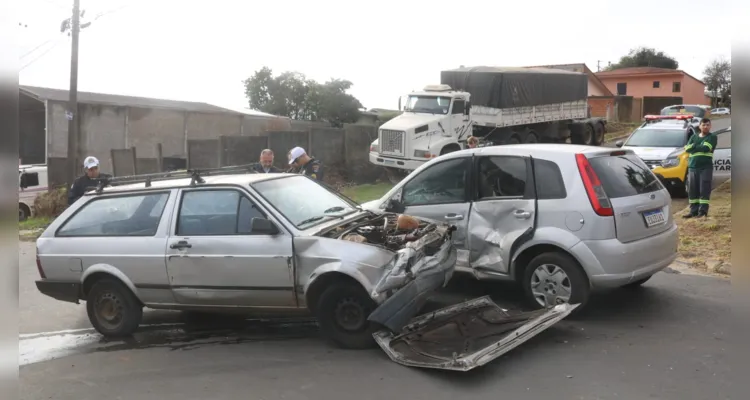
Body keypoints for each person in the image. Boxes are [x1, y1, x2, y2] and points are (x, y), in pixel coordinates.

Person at [683, 118, 717, 218]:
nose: (705, 127)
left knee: (704, 190)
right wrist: (695, 146)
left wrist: (693, 146)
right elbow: (687, 149)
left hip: (705, 168)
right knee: (692, 190)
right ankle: (693, 211)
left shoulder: (712, 137)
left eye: (707, 125)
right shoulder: (694, 136)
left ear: (710, 126)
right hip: (693, 167)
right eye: (703, 125)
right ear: (699, 126)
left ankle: (702, 212)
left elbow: (706, 148)